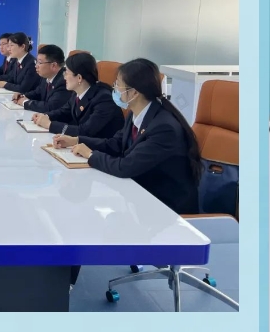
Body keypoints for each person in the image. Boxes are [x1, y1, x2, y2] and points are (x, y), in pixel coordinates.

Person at [52, 58, 202, 291]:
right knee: (78, 209)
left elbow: (125, 167)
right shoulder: (138, 114)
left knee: (82, 217)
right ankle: (62, 279)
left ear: (134, 92)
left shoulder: (163, 126)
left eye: (118, 85)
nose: (114, 89)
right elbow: (115, 144)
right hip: (141, 190)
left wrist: (90, 155)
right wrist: (77, 140)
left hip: (166, 204)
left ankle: (61, 286)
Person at [32, 52, 124, 138]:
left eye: (67, 73)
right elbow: (64, 112)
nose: (64, 77)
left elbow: (85, 131)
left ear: (79, 78)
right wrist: (45, 116)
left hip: (99, 146)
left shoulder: (104, 99)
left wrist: (50, 125)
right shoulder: (77, 92)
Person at [12, 44, 72, 113]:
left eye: (40, 62)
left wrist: (25, 102)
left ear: (53, 65)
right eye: (36, 62)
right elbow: (37, 92)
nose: (36, 66)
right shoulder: (46, 76)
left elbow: (50, 107)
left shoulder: (64, 81)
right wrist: (22, 96)